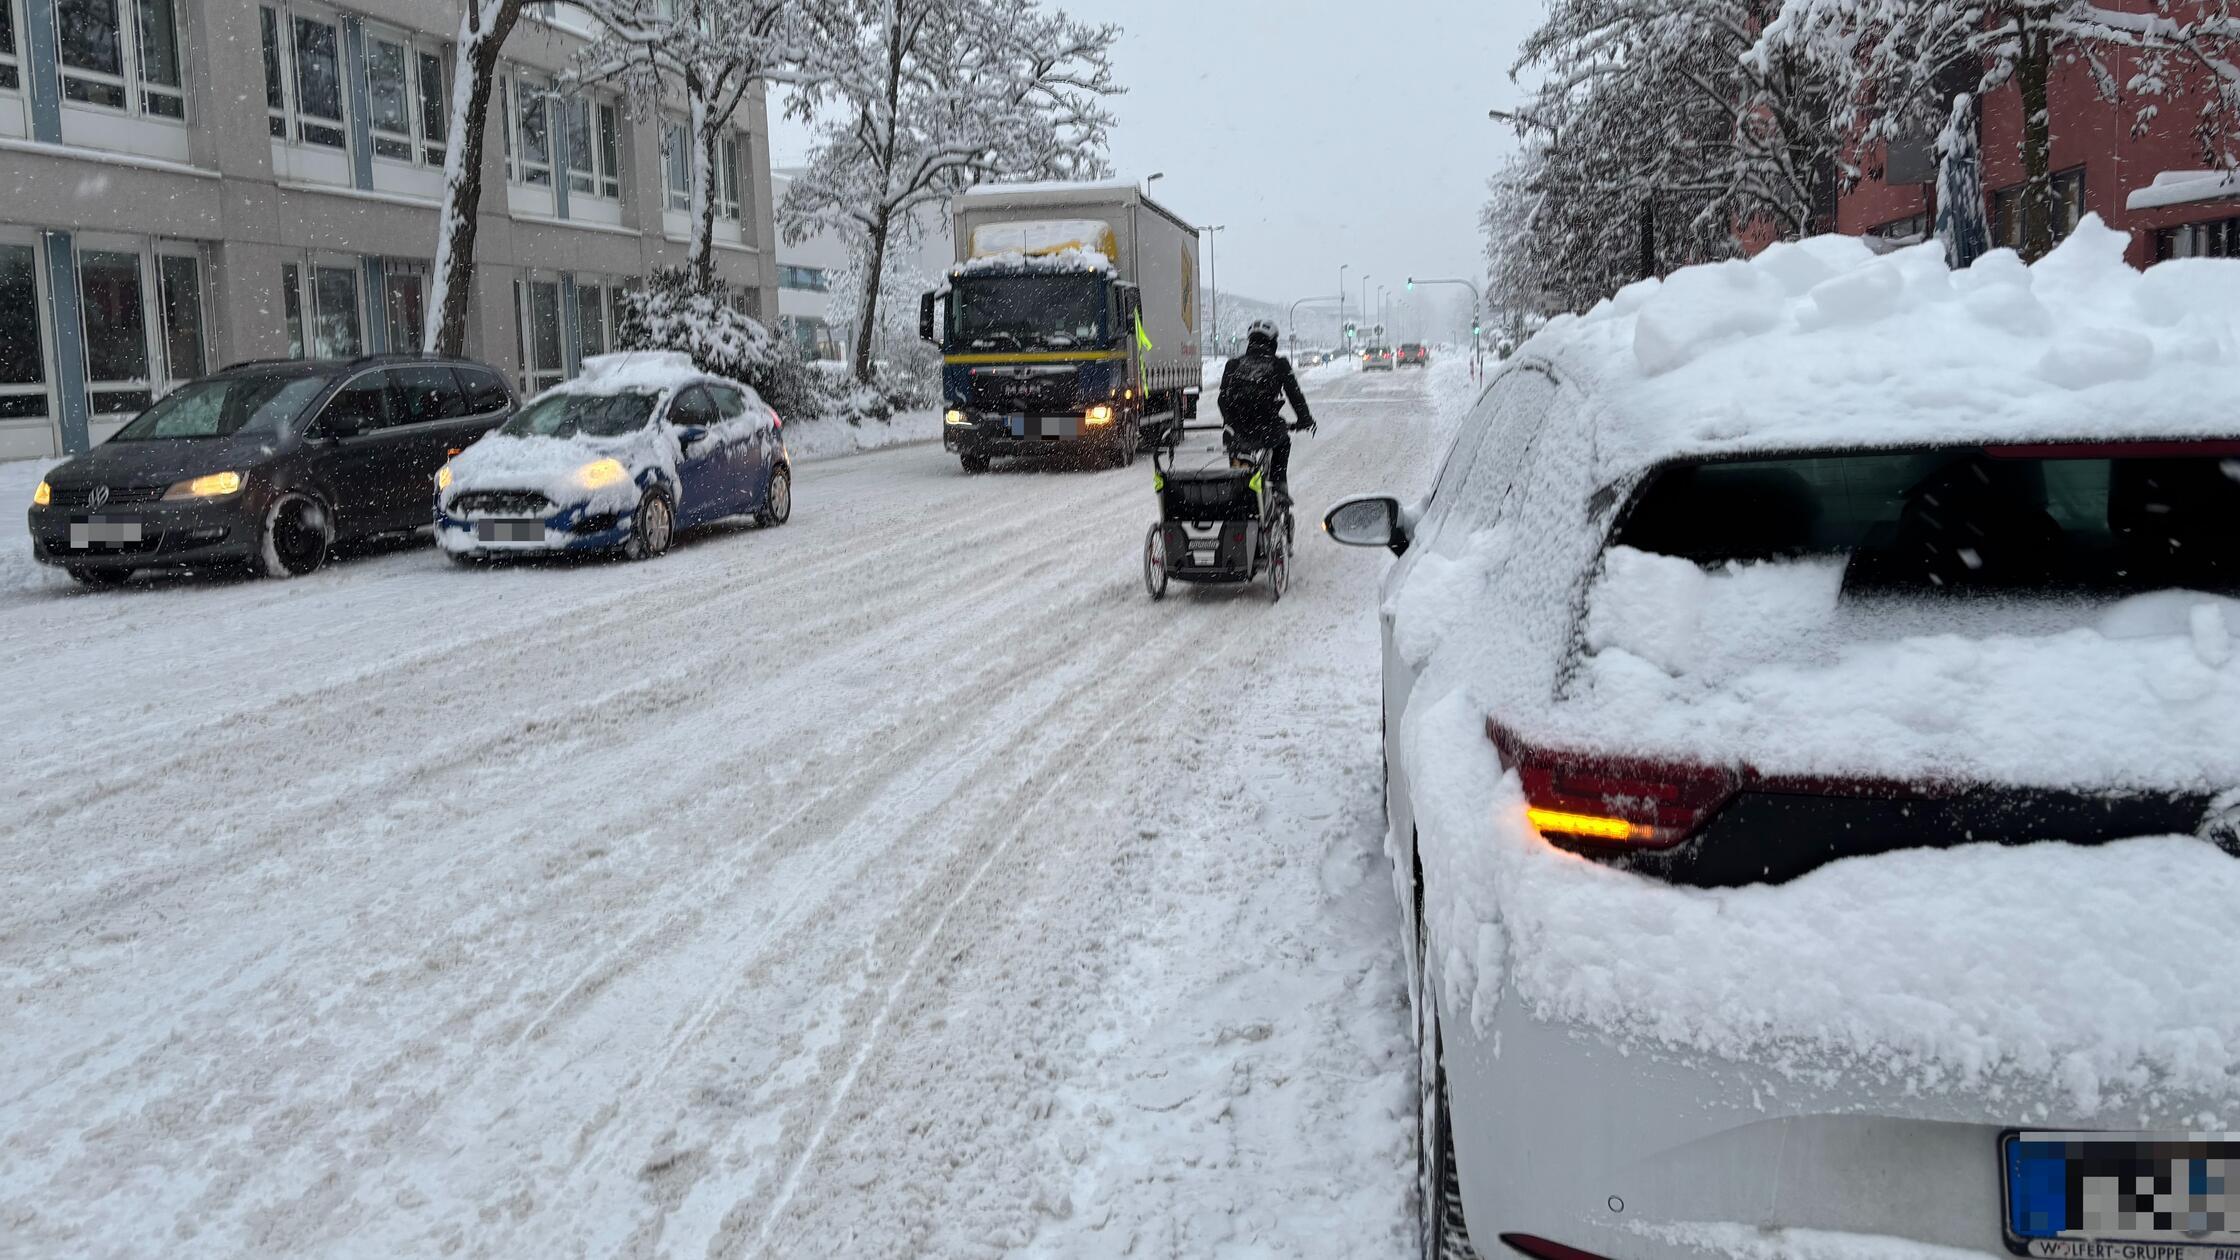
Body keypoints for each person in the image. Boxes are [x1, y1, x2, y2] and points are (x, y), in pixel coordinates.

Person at [1216, 319, 1316, 504]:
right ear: (1272, 342)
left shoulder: (1233, 364)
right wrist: (1305, 419)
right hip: (1267, 431)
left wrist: (1231, 423)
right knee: (1283, 442)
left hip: (1236, 434)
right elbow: (1295, 396)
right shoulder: (1279, 364)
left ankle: (1238, 495)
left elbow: (1222, 399)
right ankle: (1278, 489)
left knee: (1238, 467)